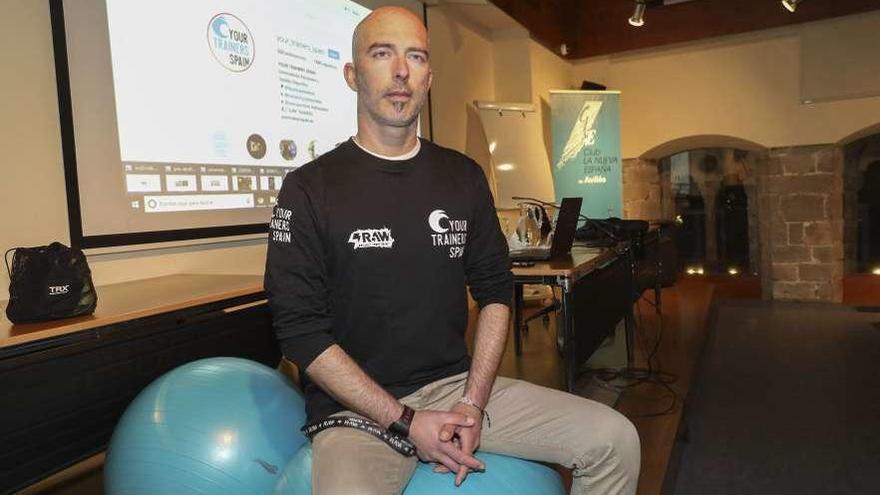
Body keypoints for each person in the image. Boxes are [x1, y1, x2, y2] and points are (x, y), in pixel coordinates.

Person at [264, 6, 640, 494]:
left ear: (429, 77)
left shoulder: (462, 177)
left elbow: (497, 292)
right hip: (355, 411)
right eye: (383, 54)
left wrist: (473, 402)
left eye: (415, 56)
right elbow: (300, 333)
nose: (401, 71)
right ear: (353, 75)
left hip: (454, 387)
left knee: (616, 439)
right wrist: (404, 420)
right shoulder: (308, 188)